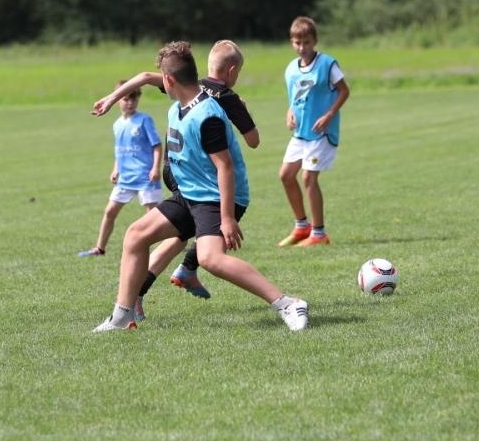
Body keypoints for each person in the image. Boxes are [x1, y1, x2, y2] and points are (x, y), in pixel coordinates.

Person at [93, 40, 308, 333]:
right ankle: (121, 317)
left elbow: (225, 167)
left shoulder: (207, 116)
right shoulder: (177, 109)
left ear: (168, 81)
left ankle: (287, 303)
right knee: (135, 235)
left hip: (217, 197)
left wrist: (227, 217)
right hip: (190, 195)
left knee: (210, 258)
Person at [91, 42, 259, 302]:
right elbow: (253, 140)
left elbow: (146, 77)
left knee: (180, 233)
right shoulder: (227, 98)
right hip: (198, 176)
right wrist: (240, 111)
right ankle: (175, 275)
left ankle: (170, 278)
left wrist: (112, 98)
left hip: (174, 168)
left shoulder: (192, 84)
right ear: (233, 70)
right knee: (198, 231)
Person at [276, 15, 350, 247]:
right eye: (297, 42)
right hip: (301, 134)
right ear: (292, 42)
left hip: (321, 133)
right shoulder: (291, 69)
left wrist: (329, 115)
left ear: (314, 41)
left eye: (306, 42)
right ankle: (301, 227)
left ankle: (319, 234)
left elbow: (344, 91)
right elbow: (296, 97)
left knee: (308, 176)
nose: (302, 47)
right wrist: (289, 111)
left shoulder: (327, 64)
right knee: (286, 175)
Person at [77, 81, 164, 258]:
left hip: (145, 176)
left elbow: (157, 145)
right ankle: (99, 248)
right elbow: (120, 149)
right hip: (126, 177)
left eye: (134, 98)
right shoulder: (117, 124)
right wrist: (115, 169)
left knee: (153, 217)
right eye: (126, 99)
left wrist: (156, 167)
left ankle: (160, 248)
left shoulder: (144, 120)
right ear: (118, 100)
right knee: (110, 211)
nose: (130, 102)